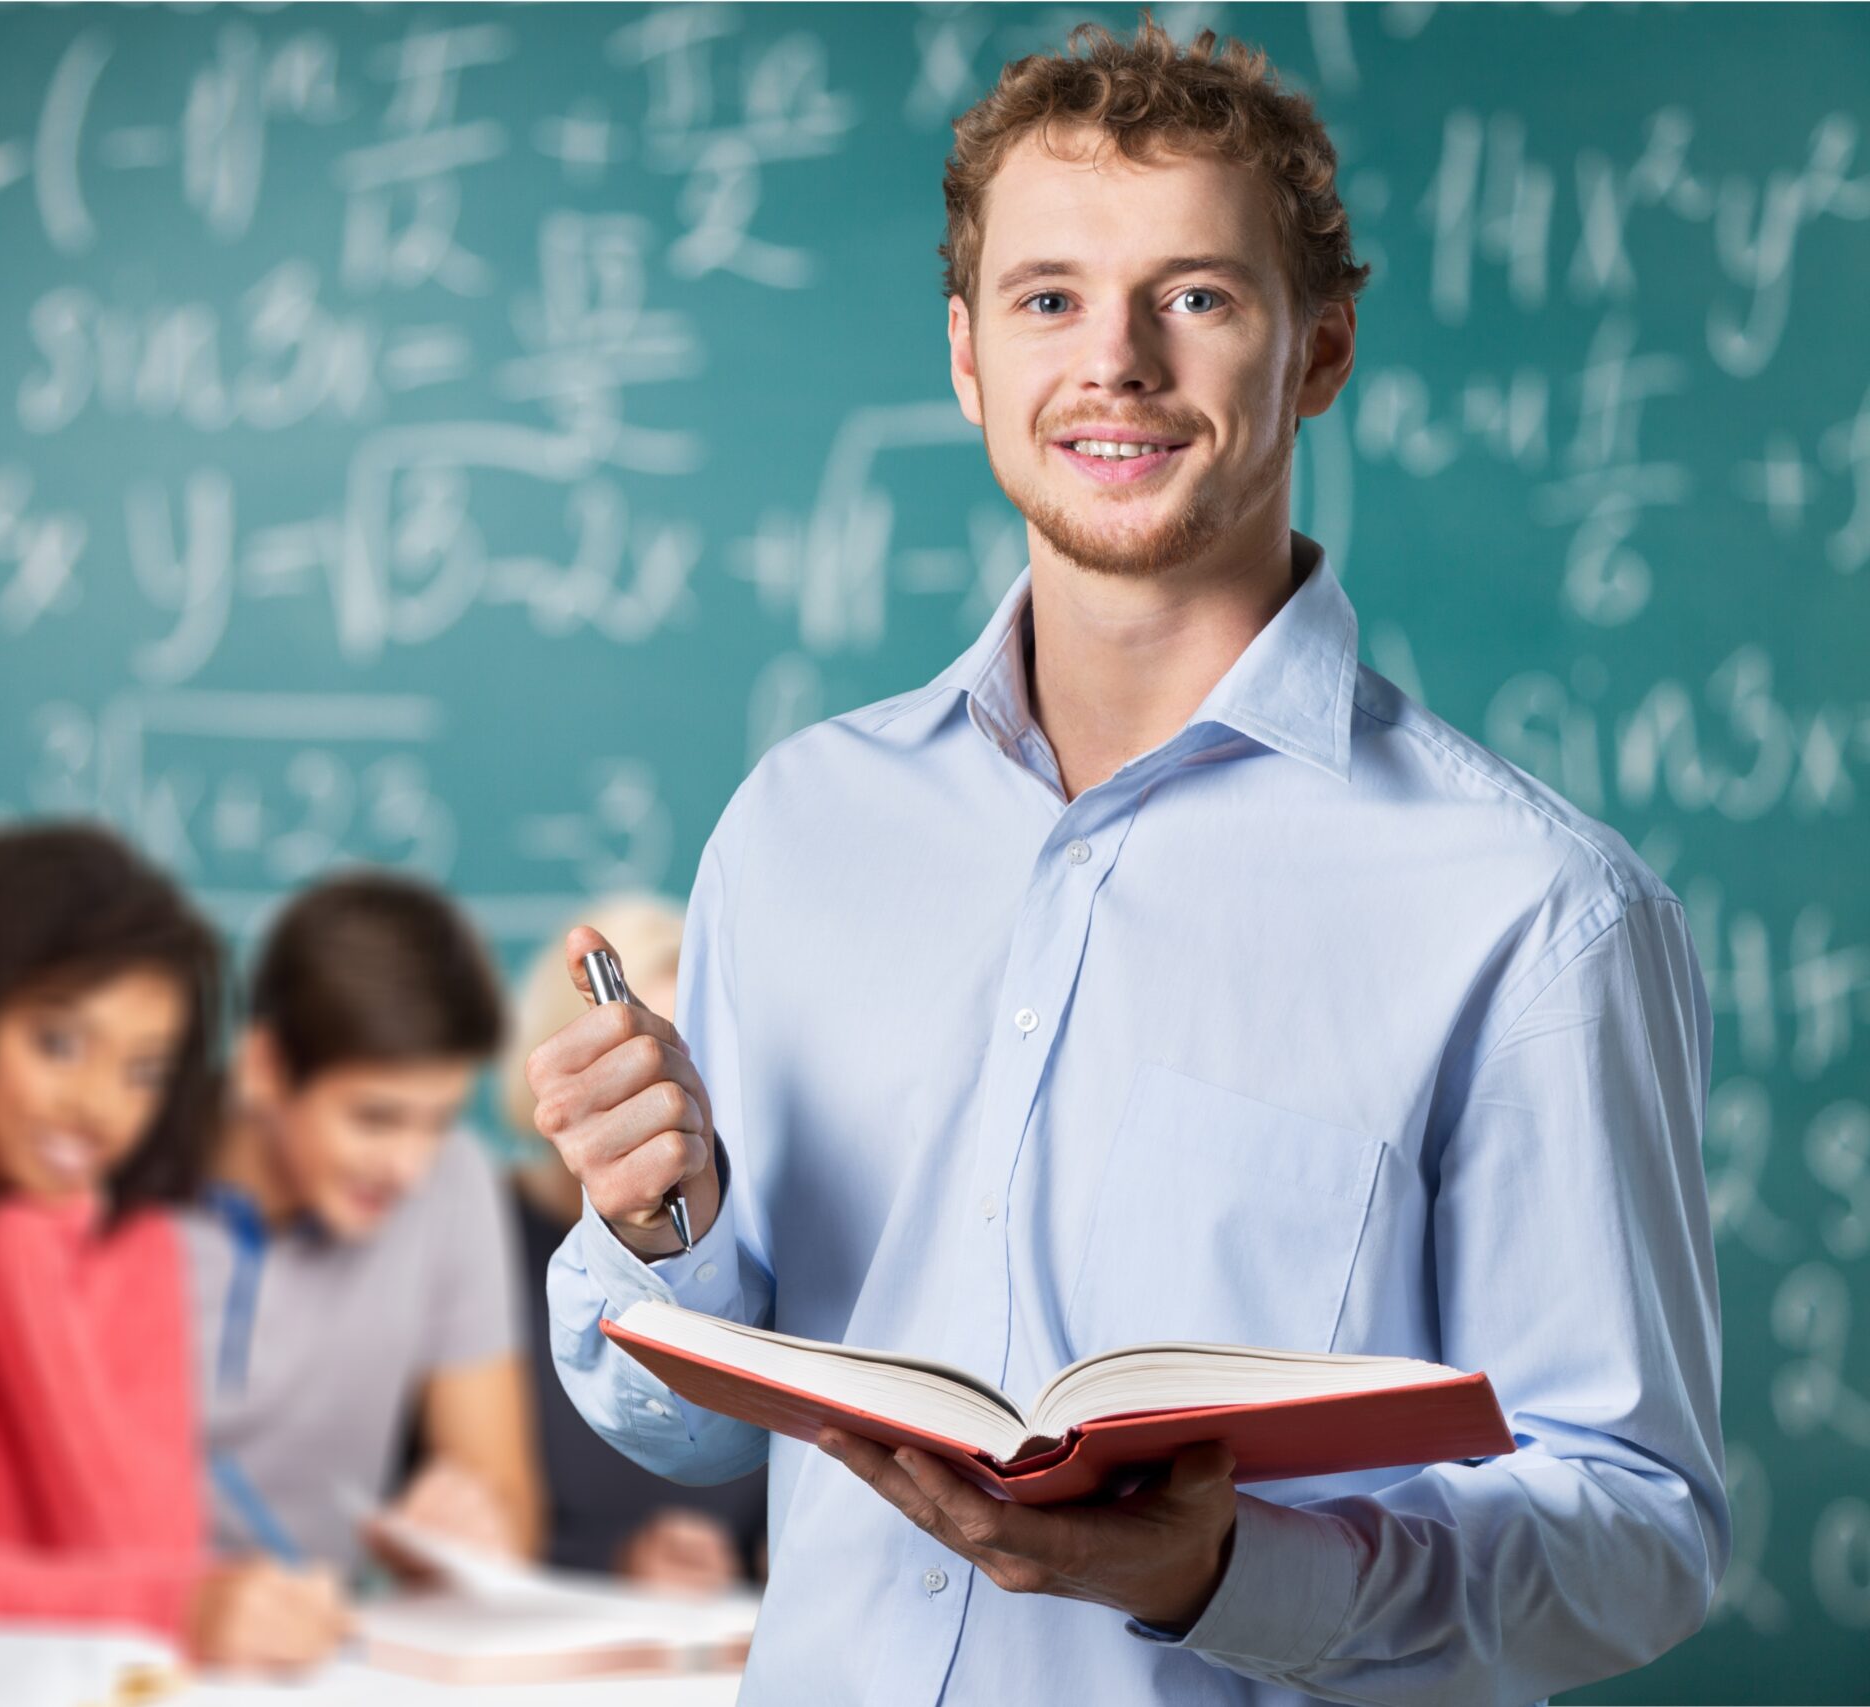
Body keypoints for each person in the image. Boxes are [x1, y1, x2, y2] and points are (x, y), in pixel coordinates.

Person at [528, 17, 1724, 1706]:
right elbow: (684, 1427)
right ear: (965, 355)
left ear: (1319, 351)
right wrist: (663, 1224)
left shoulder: (1533, 911)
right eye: (1047, 300)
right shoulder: (799, 827)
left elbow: (1638, 1535)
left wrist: (1237, 1572)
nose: (1117, 363)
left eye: (1199, 296)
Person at [0, 825, 348, 1673]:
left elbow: (139, 1544)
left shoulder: (134, 1248)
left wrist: (27, 1270)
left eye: (143, 1071)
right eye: (59, 1044)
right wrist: (169, 1605)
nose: (101, 1109)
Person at [180, 871, 543, 1576]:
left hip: (324, 1652)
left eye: (439, 1119)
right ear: (265, 1066)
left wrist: (470, 1531)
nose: (410, 1166)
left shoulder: (455, 1180)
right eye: (375, 1117)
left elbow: (510, 1509)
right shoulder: (123, 1181)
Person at [498, 897, 767, 1592]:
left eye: (687, 1066)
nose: (668, 1100)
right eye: (630, 1069)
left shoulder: (750, 1248)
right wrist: (613, 1565)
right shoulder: (485, 1234)